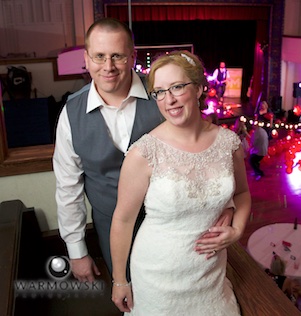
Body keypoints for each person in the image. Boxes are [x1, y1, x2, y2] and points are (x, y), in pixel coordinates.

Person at [53, 18, 233, 283]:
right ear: (87, 59)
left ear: (132, 55)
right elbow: (68, 187)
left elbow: (204, 150)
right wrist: (77, 252)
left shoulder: (165, 93)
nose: (108, 66)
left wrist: (226, 207)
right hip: (110, 227)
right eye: (99, 56)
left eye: (117, 56)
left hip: (176, 226)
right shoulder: (71, 113)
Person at [109, 50, 251, 315]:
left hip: (210, 275)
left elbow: (242, 193)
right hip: (157, 278)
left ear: (198, 88)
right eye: (160, 92)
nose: (169, 100)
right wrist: (120, 280)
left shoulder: (229, 143)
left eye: (177, 87)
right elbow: (123, 220)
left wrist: (237, 230)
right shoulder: (144, 153)